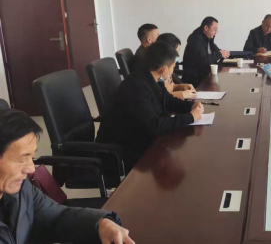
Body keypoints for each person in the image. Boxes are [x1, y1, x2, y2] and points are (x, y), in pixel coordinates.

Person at [0, 108, 133, 243]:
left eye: (31, 157)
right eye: (21, 159)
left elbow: (56, 216)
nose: (31, 169)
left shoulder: (22, 189)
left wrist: (100, 224)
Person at [97, 41, 203, 172]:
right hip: (124, 148)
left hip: (140, 138)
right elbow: (154, 126)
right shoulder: (136, 87)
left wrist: (191, 106)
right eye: (172, 67)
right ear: (164, 70)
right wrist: (190, 117)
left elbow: (168, 100)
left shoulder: (150, 78)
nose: (172, 72)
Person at [183, 17, 230, 86]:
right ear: (206, 28)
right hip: (195, 81)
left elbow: (217, 51)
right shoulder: (196, 40)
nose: (216, 32)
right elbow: (203, 61)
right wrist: (219, 54)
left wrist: (224, 53)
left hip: (204, 76)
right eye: (215, 29)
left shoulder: (207, 39)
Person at [156, 33, 197, 99]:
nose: (178, 55)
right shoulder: (158, 70)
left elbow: (172, 87)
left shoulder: (168, 67)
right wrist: (182, 94)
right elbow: (160, 97)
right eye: (176, 52)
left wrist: (183, 87)